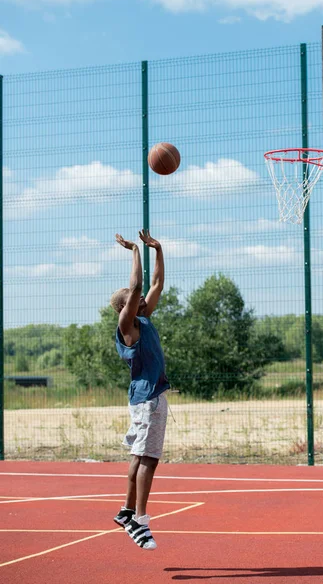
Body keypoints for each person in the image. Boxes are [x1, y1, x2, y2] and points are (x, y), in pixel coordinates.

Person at [109, 229, 170, 551]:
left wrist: (158, 250)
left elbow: (156, 284)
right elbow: (136, 287)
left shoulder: (143, 320)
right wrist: (134, 250)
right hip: (147, 399)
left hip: (147, 397)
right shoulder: (126, 327)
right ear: (125, 308)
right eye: (134, 298)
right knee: (149, 458)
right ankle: (140, 519)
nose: (143, 297)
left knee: (139, 455)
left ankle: (126, 510)